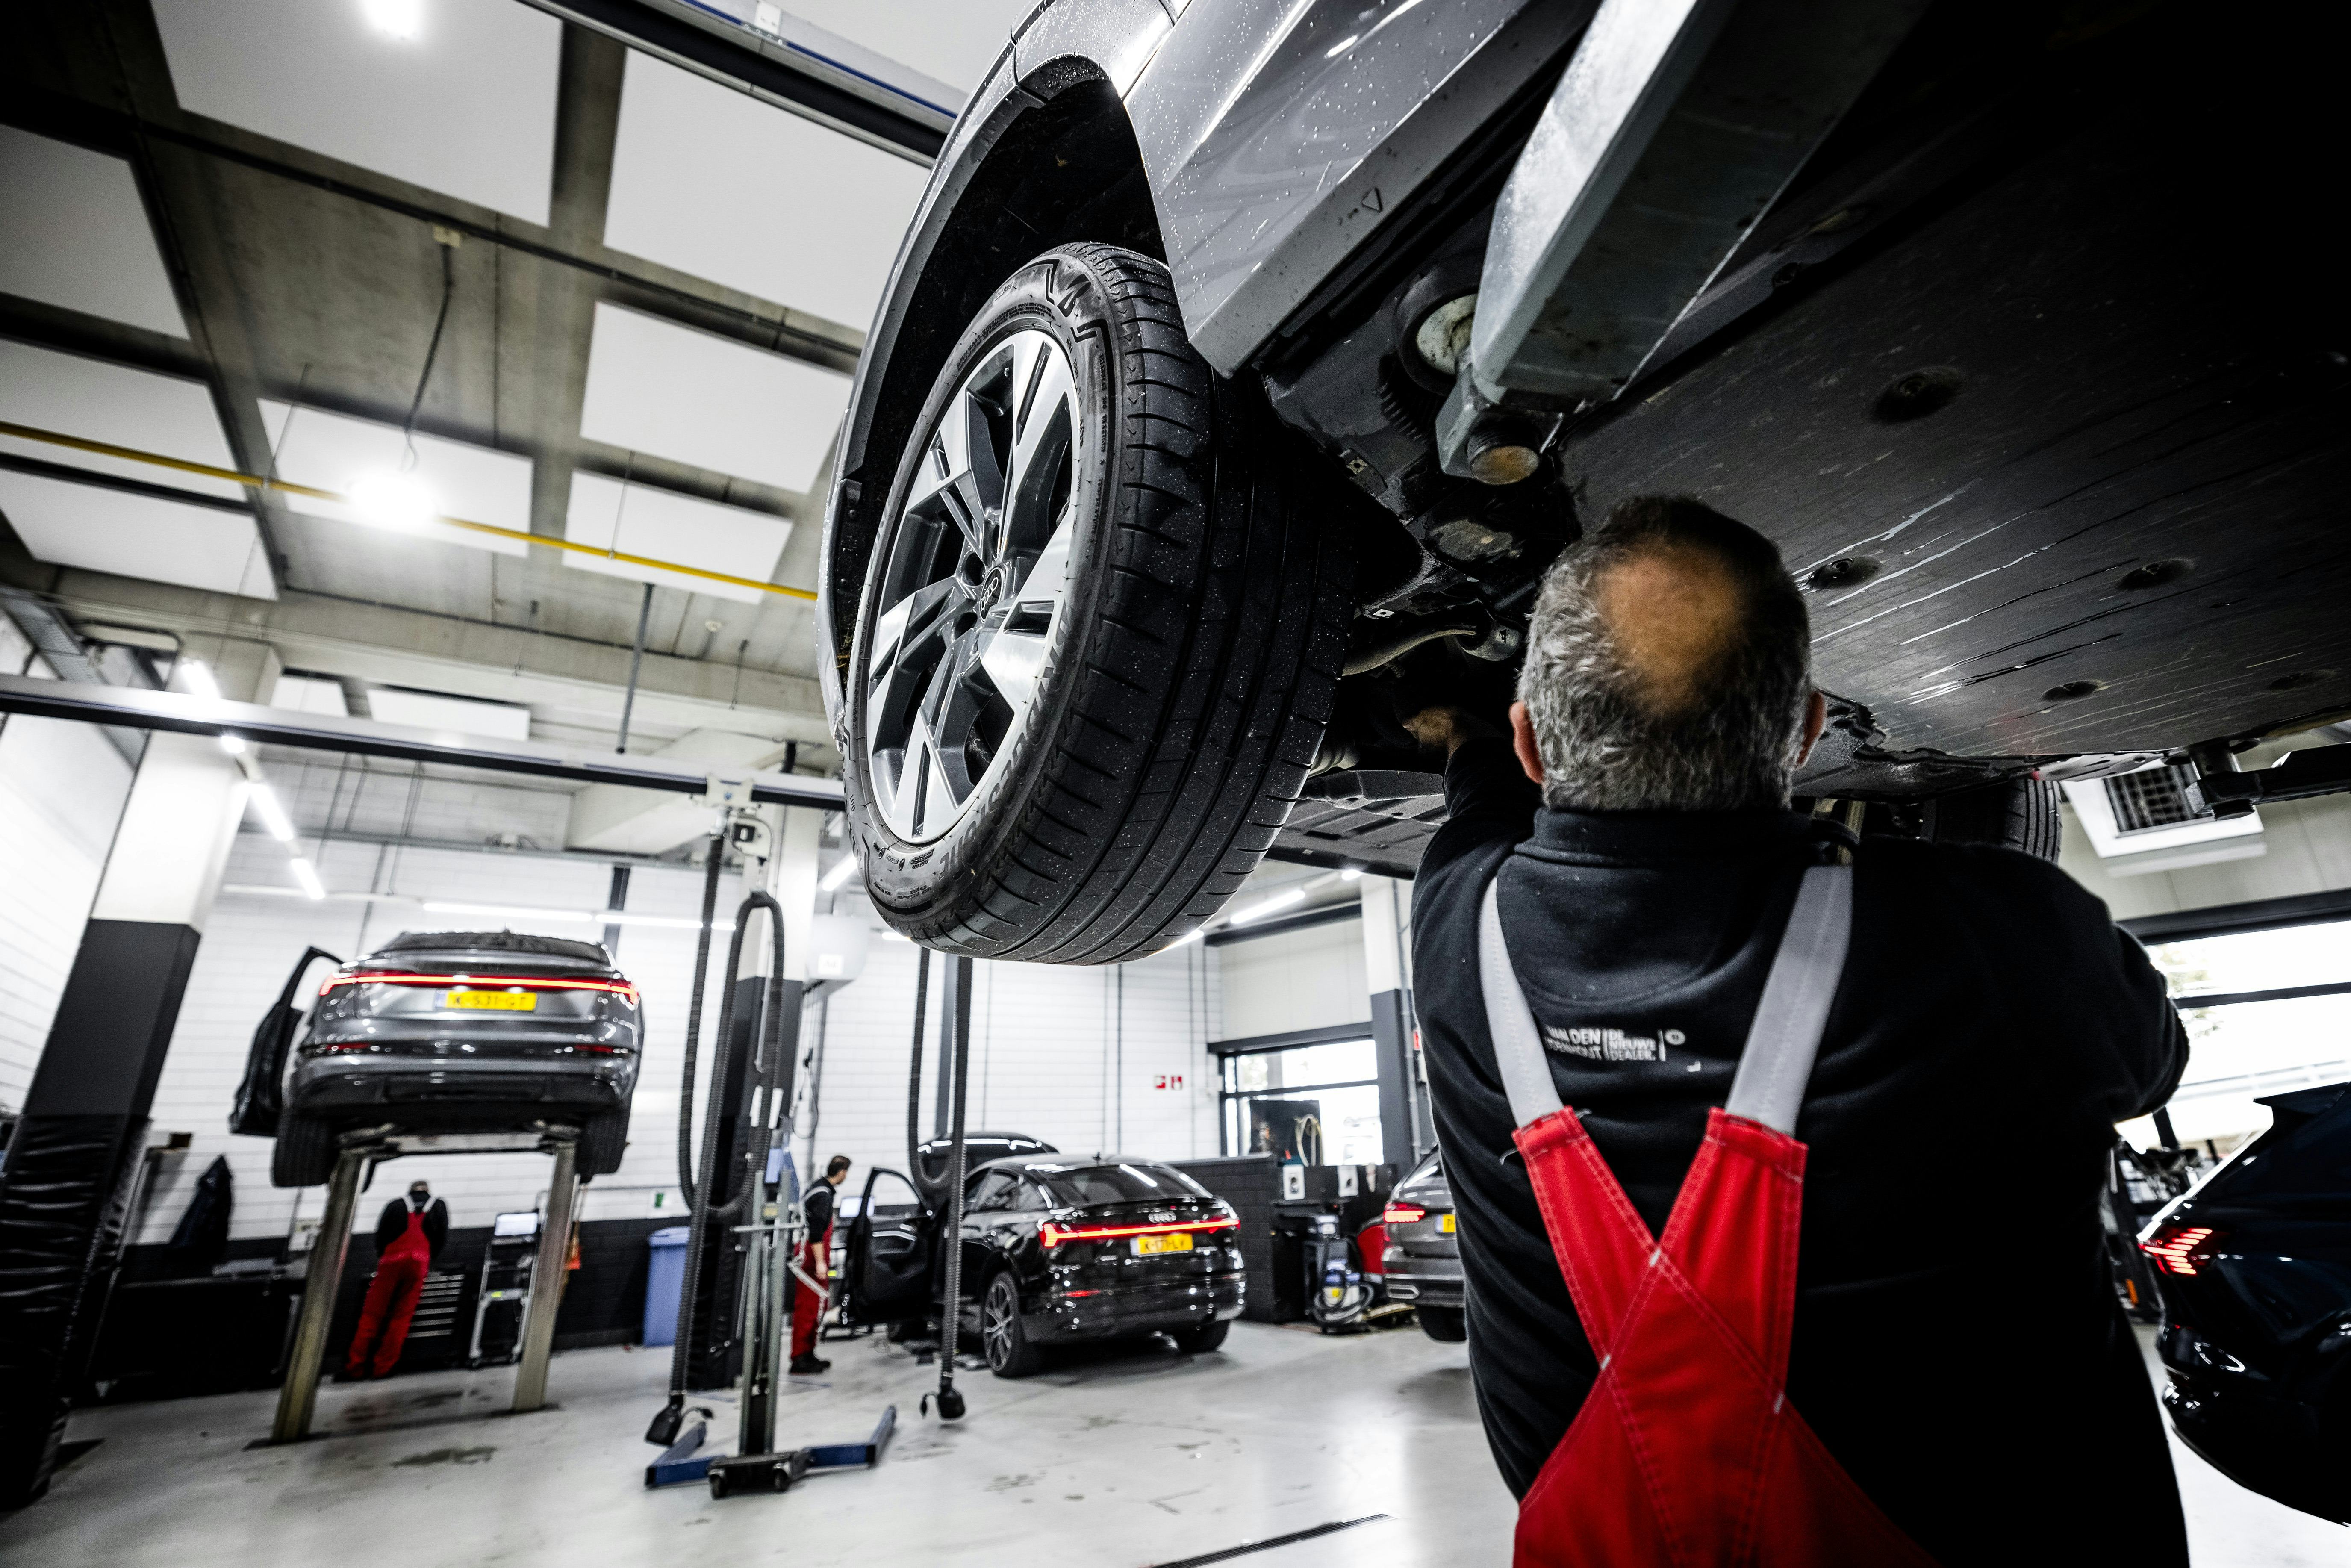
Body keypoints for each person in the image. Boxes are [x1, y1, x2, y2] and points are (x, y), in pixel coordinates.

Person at [1406, 496, 2190, 1567]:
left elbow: (1479, 803)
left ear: (1530, 743)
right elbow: (2153, 1068)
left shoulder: (1462, 937)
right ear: (1807, 730)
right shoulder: (2004, 932)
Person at [344, 1179, 448, 1381]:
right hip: (419, 1263)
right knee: (401, 1319)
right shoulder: (438, 1205)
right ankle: (383, 1368)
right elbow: (442, 1237)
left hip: (391, 1261)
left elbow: (381, 1234)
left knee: (372, 1316)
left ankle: (355, 1368)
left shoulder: (396, 1204)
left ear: (410, 1190)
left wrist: (384, 1256)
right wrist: (427, 1258)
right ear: (427, 1190)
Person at [789, 1155, 852, 1376]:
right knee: (810, 1308)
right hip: (810, 1258)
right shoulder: (824, 1196)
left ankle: (807, 1353)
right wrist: (821, 1263)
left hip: (806, 1255)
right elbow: (816, 1233)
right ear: (842, 1172)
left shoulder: (817, 1188)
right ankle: (799, 1359)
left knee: (813, 1307)